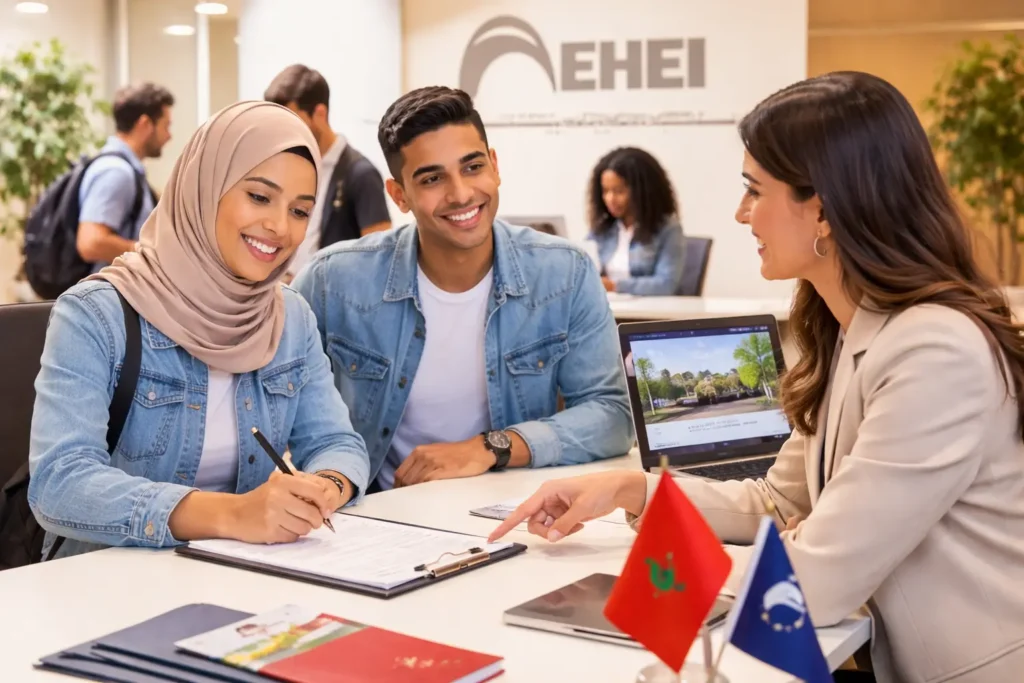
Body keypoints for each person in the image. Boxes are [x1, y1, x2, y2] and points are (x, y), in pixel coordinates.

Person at [490, 72, 1024, 683]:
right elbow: (780, 502)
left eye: (754, 190)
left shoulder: (936, 351)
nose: (741, 214)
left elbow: (812, 583)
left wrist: (647, 575)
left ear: (821, 208)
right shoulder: (852, 326)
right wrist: (630, 491)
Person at [29, 101, 370, 559]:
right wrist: (232, 515)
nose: (278, 227)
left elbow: (337, 442)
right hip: (104, 580)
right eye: (259, 197)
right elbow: (60, 482)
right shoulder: (96, 314)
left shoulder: (290, 317)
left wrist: (325, 488)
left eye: (300, 210)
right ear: (205, 189)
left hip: (237, 575)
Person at [294, 86, 633, 492]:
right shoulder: (333, 282)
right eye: (432, 178)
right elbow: (278, 413)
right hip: (373, 518)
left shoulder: (565, 273)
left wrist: (491, 448)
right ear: (399, 195)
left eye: (472, 167)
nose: (460, 194)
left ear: (494, 166)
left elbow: (613, 415)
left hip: (506, 510)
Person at [264, 64, 392, 280]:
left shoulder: (361, 174)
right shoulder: (291, 168)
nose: (286, 132)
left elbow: (381, 260)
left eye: (293, 121)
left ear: (320, 113)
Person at [76, 82, 174, 271]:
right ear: (145, 124)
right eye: (166, 126)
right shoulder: (116, 172)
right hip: (107, 296)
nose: (169, 136)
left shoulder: (126, 170)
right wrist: (145, 252)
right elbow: (91, 242)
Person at [587, 146, 686, 295]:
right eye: (605, 191)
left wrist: (614, 286)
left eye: (619, 191)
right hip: (607, 310)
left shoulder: (668, 229)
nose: (610, 199)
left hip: (648, 314)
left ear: (643, 191)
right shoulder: (603, 229)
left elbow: (666, 284)